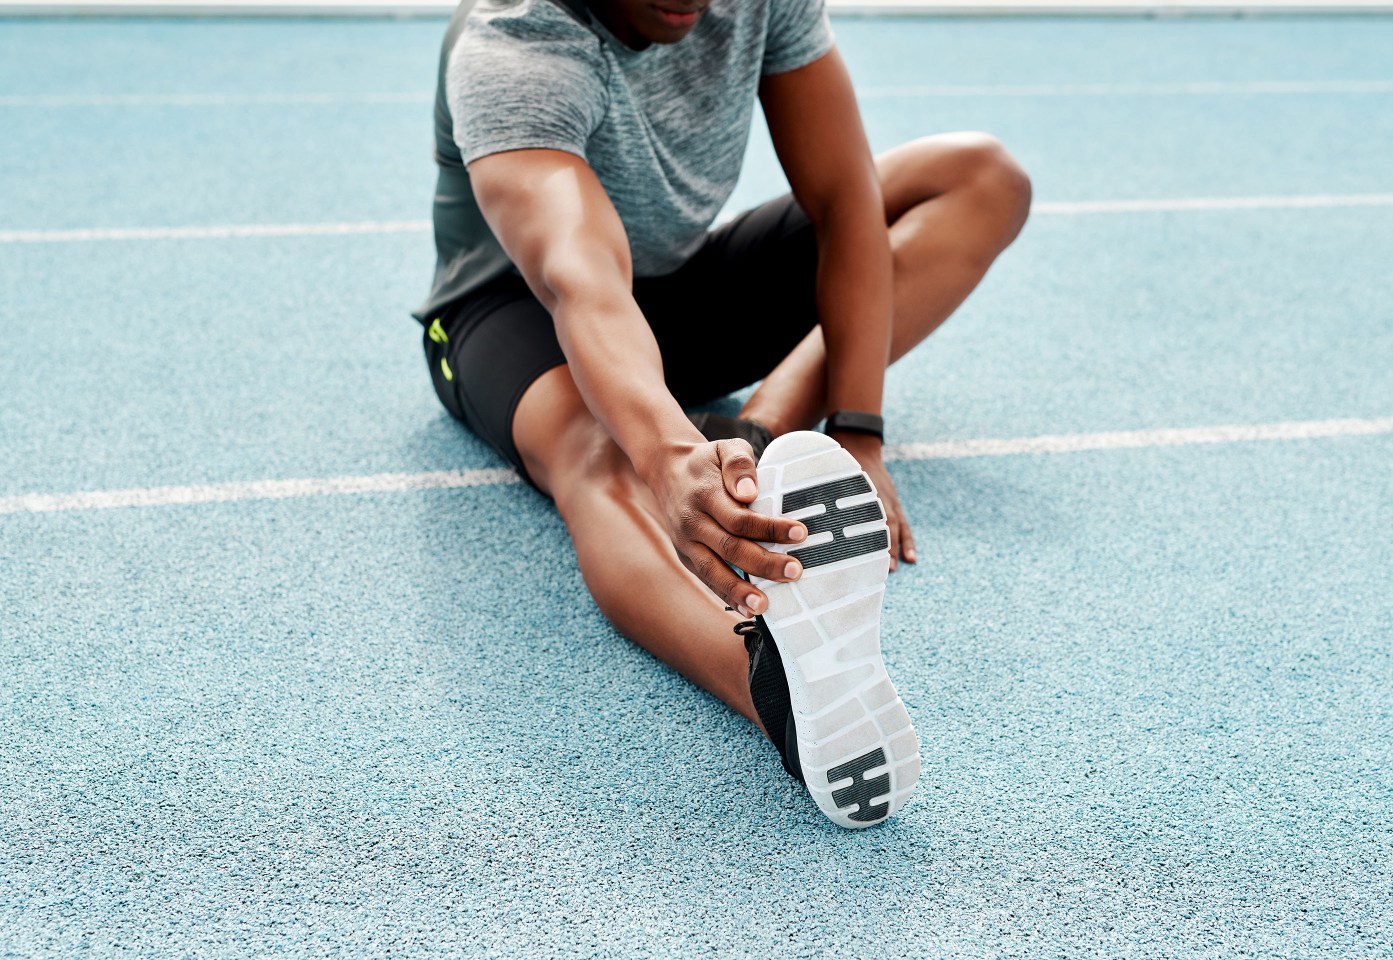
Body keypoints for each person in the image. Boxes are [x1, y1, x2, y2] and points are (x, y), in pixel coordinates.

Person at [413, 0, 1030, 827]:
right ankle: (773, 687)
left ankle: (767, 417)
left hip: (677, 286)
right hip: (513, 311)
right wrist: (667, 457)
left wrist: (857, 430)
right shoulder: (517, 45)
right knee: (599, 455)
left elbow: (845, 199)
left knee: (979, 176)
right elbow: (581, 278)